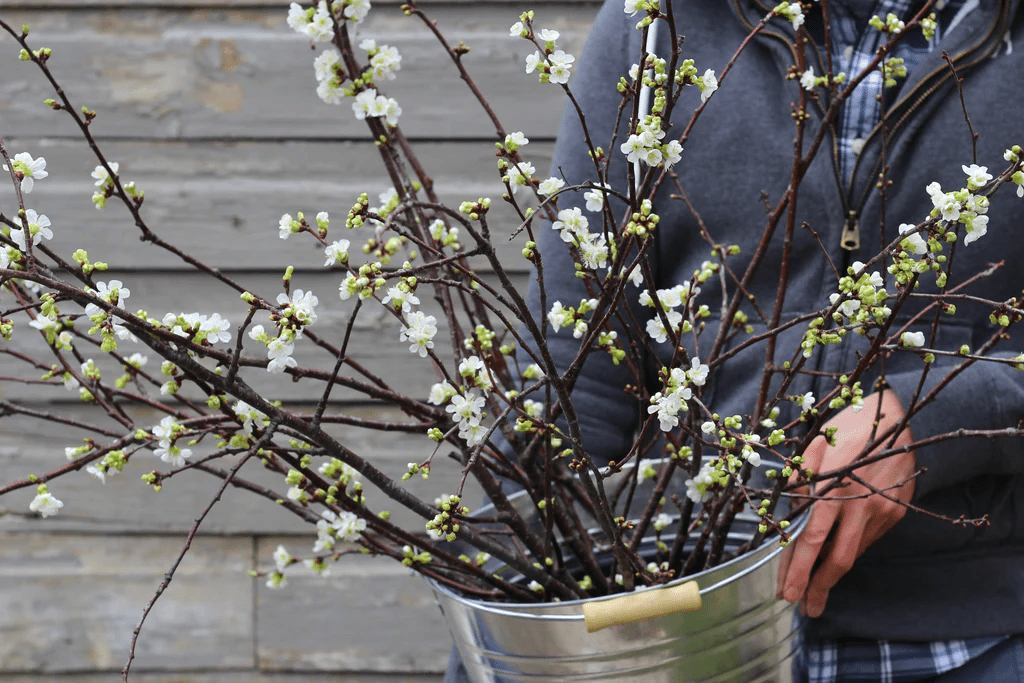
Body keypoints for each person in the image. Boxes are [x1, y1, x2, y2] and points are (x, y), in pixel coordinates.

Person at [446, 1, 1024, 680]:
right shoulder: (655, 25)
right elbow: (577, 375)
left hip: (974, 641)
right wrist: (506, 629)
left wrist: (935, 420)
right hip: (693, 639)